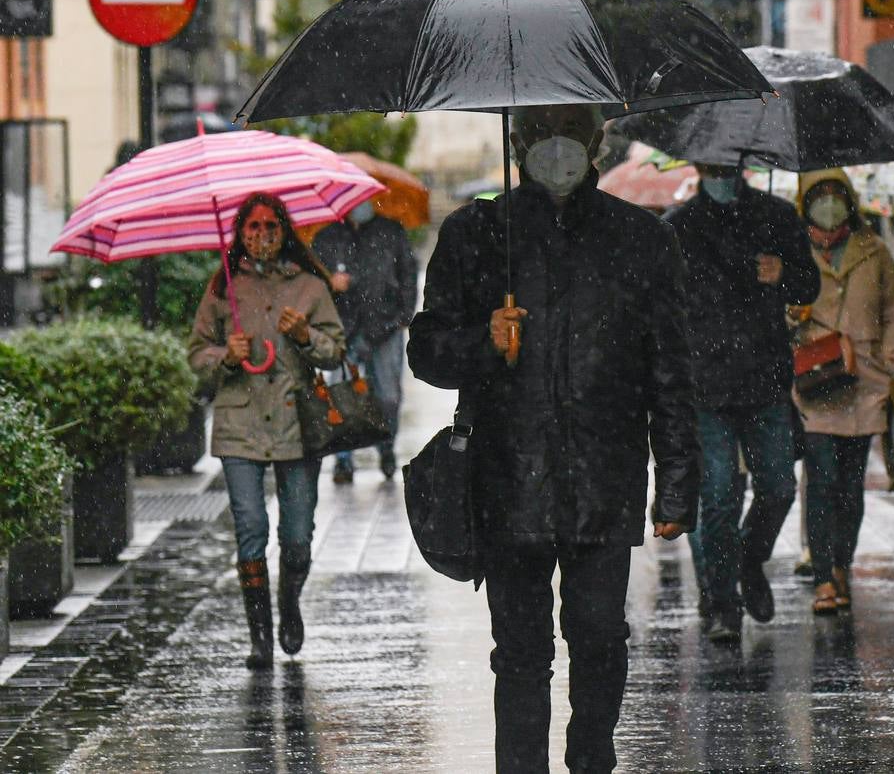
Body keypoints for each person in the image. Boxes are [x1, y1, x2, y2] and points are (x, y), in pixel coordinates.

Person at [408, 104, 698, 774]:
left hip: (606, 475)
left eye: (570, 133)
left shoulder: (640, 239)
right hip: (508, 476)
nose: (555, 148)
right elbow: (427, 352)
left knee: (599, 637)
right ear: (517, 141)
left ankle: (591, 751)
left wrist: (678, 481)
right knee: (520, 651)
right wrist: (484, 340)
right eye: (539, 134)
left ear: (598, 141)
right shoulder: (477, 233)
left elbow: (670, 372)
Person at [187, 192, 346, 669]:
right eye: (252, 228)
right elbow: (197, 355)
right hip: (240, 423)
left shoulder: (309, 287)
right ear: (239, 234)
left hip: (299, 424)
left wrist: (305, 336)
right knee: (250, 528)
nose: (261, 237)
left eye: (270, 227)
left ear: (284, 232)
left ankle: (290, 602)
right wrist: (223, 355)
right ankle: (259, 636)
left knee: (297, 534)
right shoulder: (223, 288)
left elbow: (335, 351)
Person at [663, 161, 819, 641]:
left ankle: (749, 563)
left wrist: (782, 273)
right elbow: (661, 306)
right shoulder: (678, 226)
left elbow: (808, 284)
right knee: (718, 496)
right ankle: (721, 600)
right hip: (705, 384)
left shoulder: (775, 215)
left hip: (765, 378)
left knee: (778, 487)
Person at [790, 169, 894, 615]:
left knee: (849, 487)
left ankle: (842, 563)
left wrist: (887, 360)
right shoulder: (793, 252)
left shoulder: (874, 252)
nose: (828, 204)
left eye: (836, 196)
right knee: (820, 481)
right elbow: (775, 311)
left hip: (863, 386)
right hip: (814, 384)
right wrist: (792, 318)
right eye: (818, 197)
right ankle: (823, 577)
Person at [311, 198, 418, 482]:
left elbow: (408, 272)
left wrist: (404, 314)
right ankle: (344, 460)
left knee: (388, 396)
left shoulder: (391, 232)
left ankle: (386, 447)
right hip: (341, 329)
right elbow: (311, 282)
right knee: (340, 394)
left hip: (384, 327)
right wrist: (329, 283)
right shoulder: (327, 237)